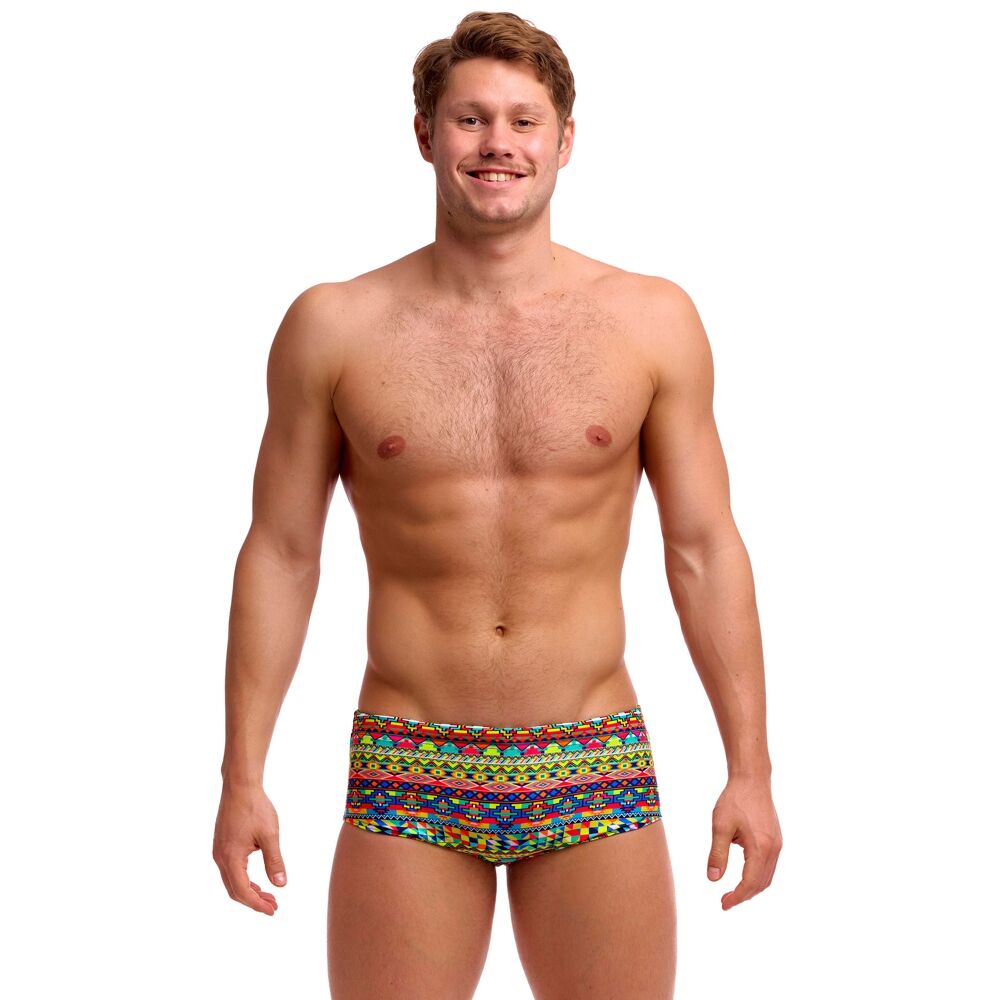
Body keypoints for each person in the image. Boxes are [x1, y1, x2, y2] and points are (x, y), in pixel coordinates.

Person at [213, 10, 782, 998]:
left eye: (524, 120)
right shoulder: (334, 326)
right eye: (470, 118)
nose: (497, 143)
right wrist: (241, 776)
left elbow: (701, 546)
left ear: (565, 140)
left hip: (591, 752)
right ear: (425, 134)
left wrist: (750, 769)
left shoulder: (651, 321)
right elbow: (282, 552)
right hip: (410, 757)